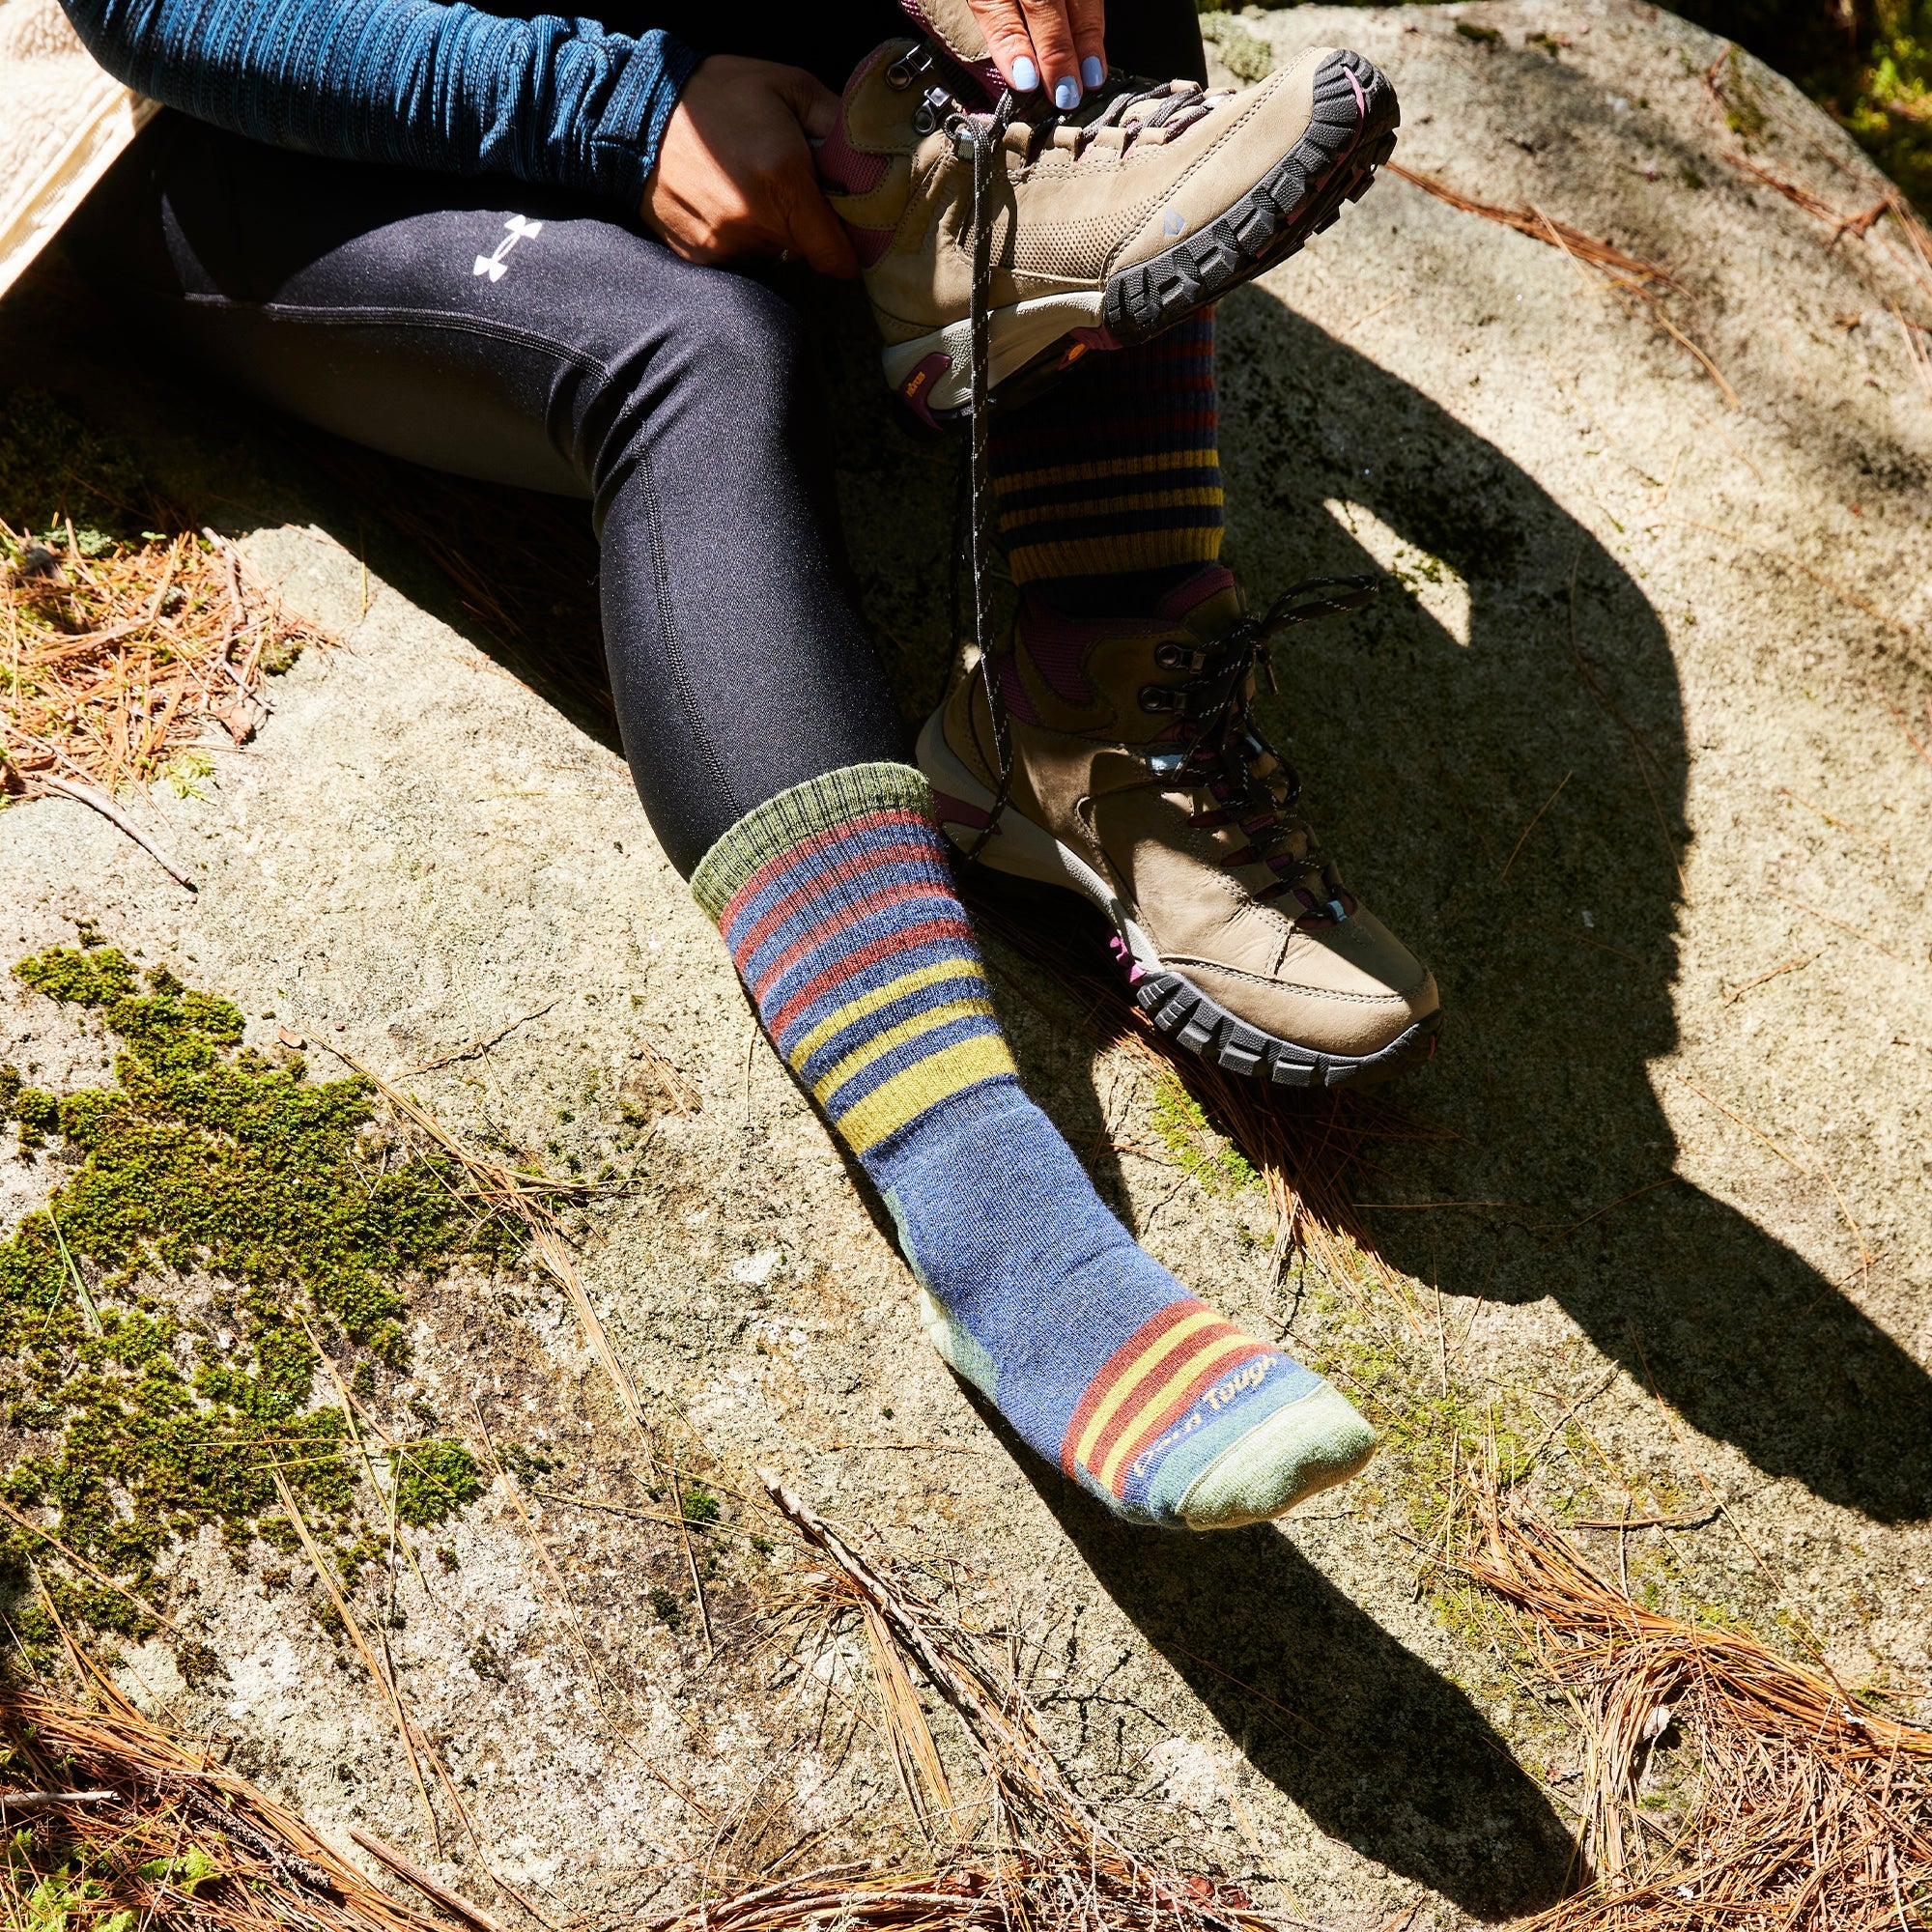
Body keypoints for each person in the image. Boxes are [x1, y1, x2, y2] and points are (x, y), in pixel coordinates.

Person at [56, 0, 1440, 1529]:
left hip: (629, 44)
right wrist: (619, 114)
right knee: (696, 356)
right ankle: (995, 1222)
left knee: (1070, 13)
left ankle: (1089, 711)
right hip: (206, 121)